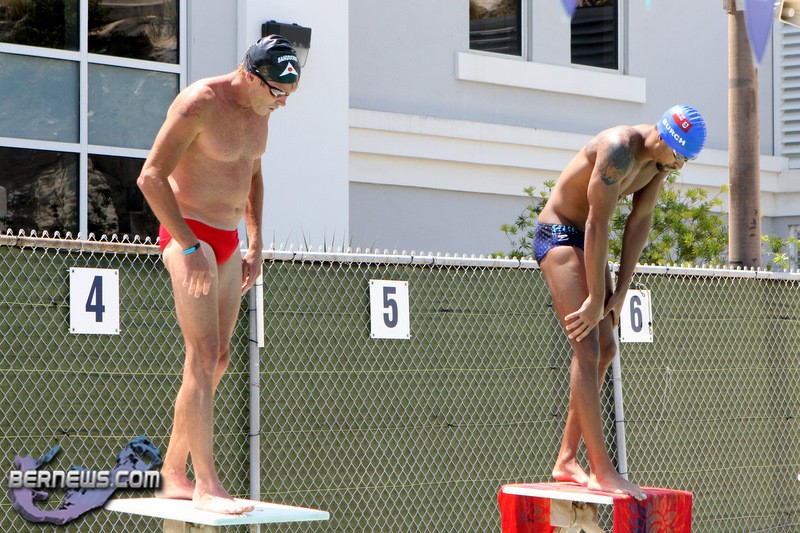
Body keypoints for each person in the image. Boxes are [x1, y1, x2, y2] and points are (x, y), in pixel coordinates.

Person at [137, 35, 301, 514]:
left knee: (221, 357)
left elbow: (252, 174)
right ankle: (206, 485)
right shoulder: (199, 103)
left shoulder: (261, 111)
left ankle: (172, 471)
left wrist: (255, 241)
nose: (283, 103)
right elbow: (150, 176)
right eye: (277, 92)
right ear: (250, 75)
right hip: (190, 233)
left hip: (228, 240)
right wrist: (188, 245)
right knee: (203, 354)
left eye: (289, 93)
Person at [534, 105, 707, 500]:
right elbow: (596, 222)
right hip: (560, 233)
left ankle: (566, 460)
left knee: (607, 348)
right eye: (678, 155)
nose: (679, 166)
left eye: (686, 160)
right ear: (662, 136)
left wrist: (622, 288)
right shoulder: (619, 149)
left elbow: (640, 219)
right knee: (587, 347)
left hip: (588, 242)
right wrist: (597, 297)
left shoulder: (658, 164)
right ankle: (601, 470)